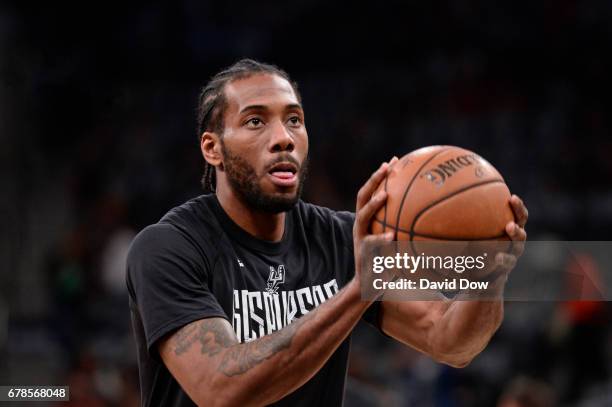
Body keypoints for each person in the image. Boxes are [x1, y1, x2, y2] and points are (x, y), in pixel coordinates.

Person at [126, 59, 529, 406]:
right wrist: (359, 289)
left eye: (294, 120)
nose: (283, 138)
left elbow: (451, 341)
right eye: (255, 121)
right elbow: (222, 391)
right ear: (213, 149)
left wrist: (489, 277)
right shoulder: (168, 248)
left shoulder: (341, 238)